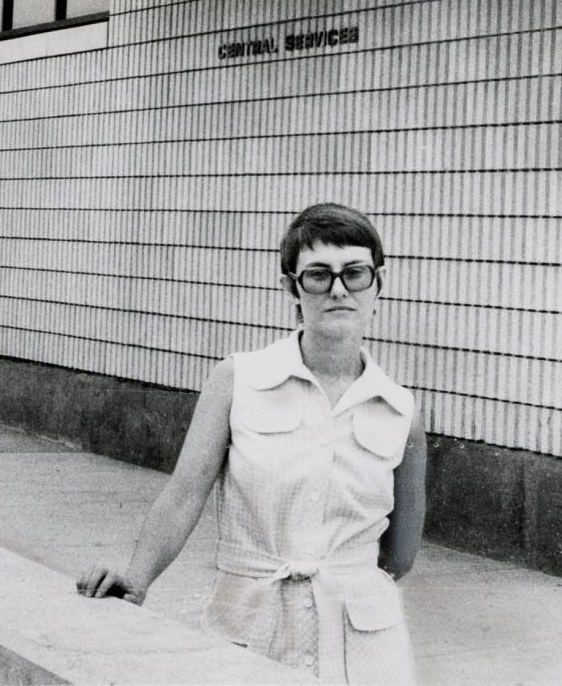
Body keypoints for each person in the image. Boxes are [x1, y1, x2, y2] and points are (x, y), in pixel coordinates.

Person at [77, 203, 426, 684]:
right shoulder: (237, 380)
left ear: (377, 285)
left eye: (355, 273)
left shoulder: (400, 409)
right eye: (318, 275)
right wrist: (136, 580)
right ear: (291, 287)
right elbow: (184, 495)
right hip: (249, 629)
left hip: (365, 650)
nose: (339, 290)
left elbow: (400, 553)